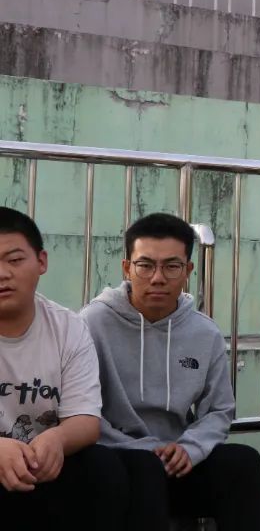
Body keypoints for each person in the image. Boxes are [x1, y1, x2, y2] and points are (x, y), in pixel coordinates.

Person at [80, 212, 260, 531]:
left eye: (171, 266)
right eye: (145, 265)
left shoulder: (204, 333)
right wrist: (144, 449)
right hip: (118, 460)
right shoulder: (91, 323)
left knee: (243, 462)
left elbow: (219, 410)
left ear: (188, 271)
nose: (157, 278)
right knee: (144, 469)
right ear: (127, 268)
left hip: (178, 458)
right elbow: (81, 410)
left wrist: (189, 448)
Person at [0, 207, 127, 530]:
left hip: (43, 466)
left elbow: (85, 419)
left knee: (103, 466)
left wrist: (58, 439)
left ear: (41, 261)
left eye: (14, 260)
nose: (2, 273)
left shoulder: (68, 327)